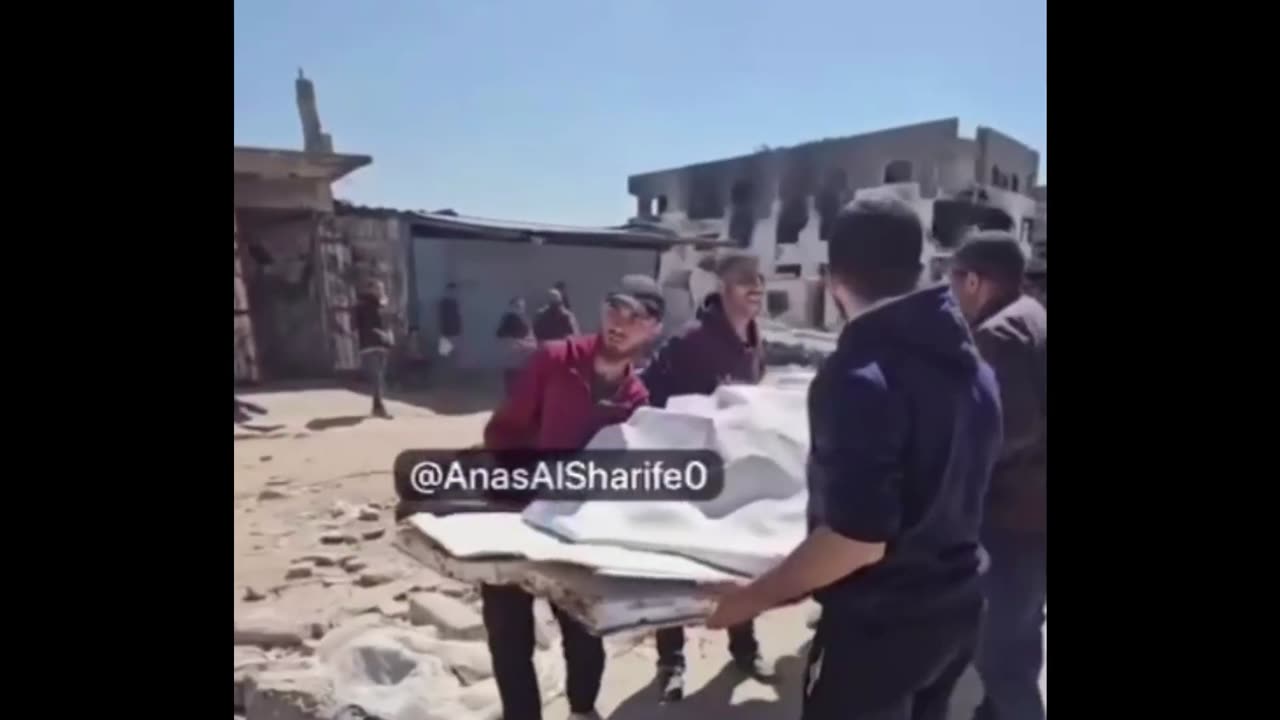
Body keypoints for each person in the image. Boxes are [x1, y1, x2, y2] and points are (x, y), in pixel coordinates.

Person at [706, 196, 1003, 720]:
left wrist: (750, 600)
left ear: (832, 277)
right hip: (957, 615)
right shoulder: (973, 366)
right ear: (918, 267)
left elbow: (856, 540)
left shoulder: (859, 375)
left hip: (880, 632)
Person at [481, 275, 666, 720]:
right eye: (614, 307)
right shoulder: (555, 359)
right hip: (513, 512)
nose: (620, 322)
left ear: (653, 328)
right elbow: (503, 429)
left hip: (576, 529)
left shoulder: (637, 399)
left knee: (584, 629)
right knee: (509, 635)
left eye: (635, 316)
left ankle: (582, 710)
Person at [640, 251, 772, 702]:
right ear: (721, 287)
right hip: (688, 469)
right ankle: (671, 661)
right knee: (677, 564)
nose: (756, 287)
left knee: (737, 561)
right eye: (744, 280)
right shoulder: (691, 340)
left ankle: (744, 647)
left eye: (760, 279)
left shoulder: (754, 337)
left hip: (734, 469)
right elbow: (649, 395)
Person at [949, 232, 1047, 720]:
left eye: (952, 279)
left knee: (1002, 658)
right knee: (1019, 641)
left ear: (974, 280)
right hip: (1034, 518)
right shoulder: (1035, 318)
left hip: (1012, 523)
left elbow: (1008, 430)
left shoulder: (998, 335)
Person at [353, 279, 393, 419]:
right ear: (370, 289)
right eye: (377, 288)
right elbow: (358, 326)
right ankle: (379, 407)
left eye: (381, 288)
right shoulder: (363, 306)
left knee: (380, 377)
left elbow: (387, 324)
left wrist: (388, 335)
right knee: (377, 376)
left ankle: (377, 407)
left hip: (382, 344)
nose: (380, 290)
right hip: (369, 345)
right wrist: (378, 332)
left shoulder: (382, 305)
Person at [495, 297, 535, 394]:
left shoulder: (522, 318)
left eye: (522, 306)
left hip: (521, 355)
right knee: (513, 378)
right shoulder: (510, 318)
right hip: (515, 355)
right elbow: (501, 333)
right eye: (518, 306)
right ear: (512, 306)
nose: (521, 308)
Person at [438, 282, 463, 364]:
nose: (454, 292)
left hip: (452, 329)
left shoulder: (452, 302)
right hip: (448, 329)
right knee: (447, 353)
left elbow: (457, 316)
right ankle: (448, 365)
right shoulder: (446, 302)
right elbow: (443, 316)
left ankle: (450, 365)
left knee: (451, 352)